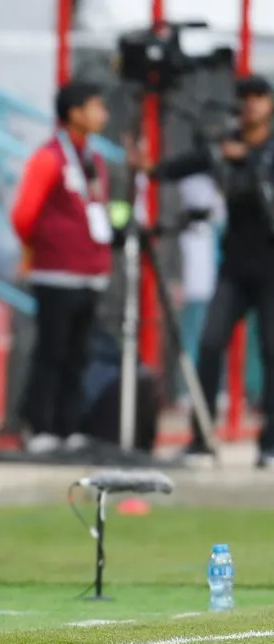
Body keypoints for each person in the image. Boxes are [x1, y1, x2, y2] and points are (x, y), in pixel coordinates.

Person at [130, 74, 274, 468]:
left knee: (271, 350)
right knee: (209, 345)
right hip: (235, 263)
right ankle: (202, 438)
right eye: (245, 98)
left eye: (259, 97)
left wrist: (244, 162)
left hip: (270, 265)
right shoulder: (224, 146)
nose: (251, 106)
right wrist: (152, 169)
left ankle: (269, 445)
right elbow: (188, 165)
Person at [10, 80, 112, 455]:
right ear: (75, 113)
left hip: (91, 275)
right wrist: (42, 249)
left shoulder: (94, 158)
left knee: (78, 355)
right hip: (56, 274)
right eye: (97, 106)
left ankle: (69, 427)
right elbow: (23, 214)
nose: (104, 114)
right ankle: (41, 427)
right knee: (51, 352)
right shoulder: (50, 157)